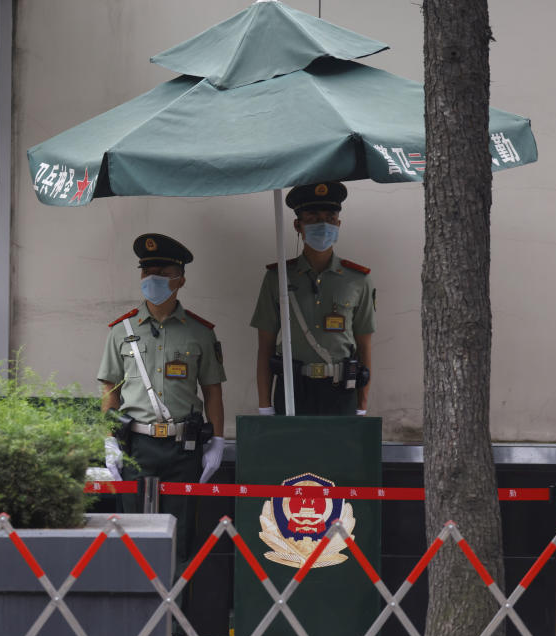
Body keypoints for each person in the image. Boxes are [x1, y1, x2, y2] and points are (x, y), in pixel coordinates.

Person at [97, 233, 226, 568]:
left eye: (162, 271)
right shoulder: (120, 331)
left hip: (183, 449)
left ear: (180, 279)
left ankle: (175, 615)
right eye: (147, 271)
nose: (152, 278)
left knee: (180, 538)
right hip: (136, 446)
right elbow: (109, 388)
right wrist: (108, 440)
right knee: (131, 535)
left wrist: (219, 440)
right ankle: (136, 615)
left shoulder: (200, 333)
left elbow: (212, 389)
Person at [250, 181, 375, 416]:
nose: (323, 224)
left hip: (341, 391)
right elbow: (264, 347)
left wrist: (362, 406)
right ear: (298, 225)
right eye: (313, 217)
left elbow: (365, 347)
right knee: (293, 453)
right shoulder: (277, 278)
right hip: (293, 390)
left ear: (338, 224)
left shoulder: (358, 280)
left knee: (338, 453)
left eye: (330, 217)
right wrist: (264, 405)